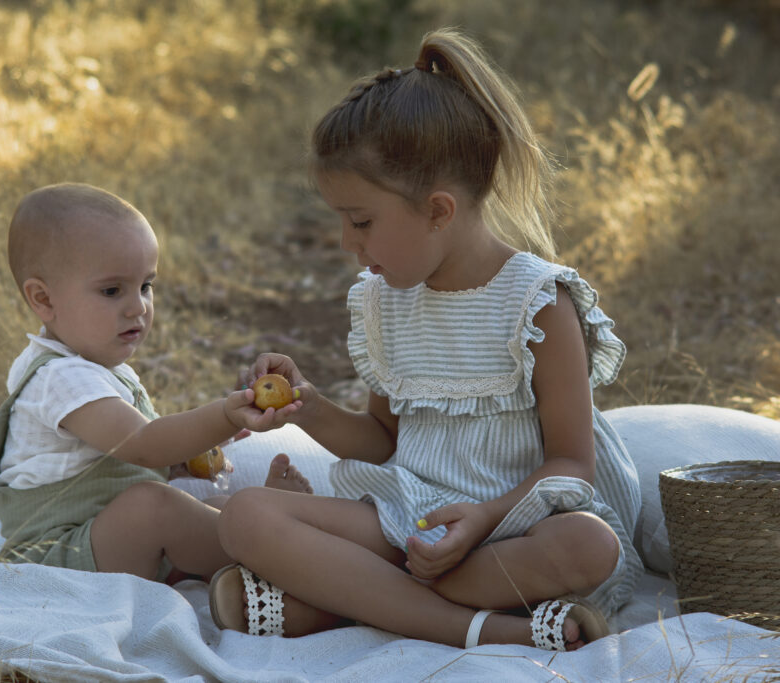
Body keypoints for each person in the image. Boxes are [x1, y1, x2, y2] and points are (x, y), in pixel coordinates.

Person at [208, 28, 642, 651]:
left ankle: (350, 599)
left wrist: (483, 520)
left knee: (588, 544)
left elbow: (571, 464)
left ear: (439, 211)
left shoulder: (537, 304)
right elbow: (384, 441)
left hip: (515, 530)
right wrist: (308, 407)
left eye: (361, 222)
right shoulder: (386, 301)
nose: (346, 243)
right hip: (410, 523)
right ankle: (498, 629)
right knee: (248, 516)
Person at [0, 182, 311, 585]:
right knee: (154, 508)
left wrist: (184, 458)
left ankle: (246, 535)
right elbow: (144, 445)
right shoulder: (60, 379)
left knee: (213, 505)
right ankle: (267, 542)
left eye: (146, 286)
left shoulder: (96, 366)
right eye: (112, 290)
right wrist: (222, 414)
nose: (138, 307)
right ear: (43, 300)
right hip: (64, 553)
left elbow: (122, 455)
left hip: (108, 538)